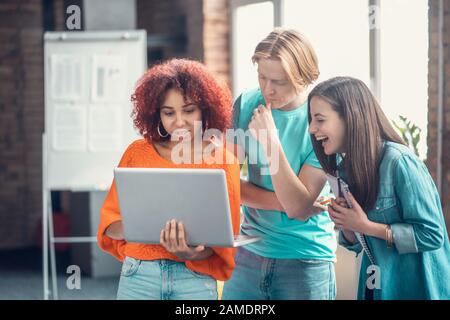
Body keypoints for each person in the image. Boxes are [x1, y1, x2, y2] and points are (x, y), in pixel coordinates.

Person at [97, 58, 241, 300]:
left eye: (188, 110)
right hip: (140, 274)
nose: (180, 122)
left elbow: (226, 241)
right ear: (156, 114)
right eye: (168, 113)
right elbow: (110, 225)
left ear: (205, 109)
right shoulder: (137, 153)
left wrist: (191, 253)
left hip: (193, 279)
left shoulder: (223, 161)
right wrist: (142, 227)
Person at [308, 76, 450, 300]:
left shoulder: (400, 162)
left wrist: (365, 225)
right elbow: (358, 244)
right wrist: (345, 222)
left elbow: (432, 235)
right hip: (377, 286)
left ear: (350, 118)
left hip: (417, 287)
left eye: (319, 120)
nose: (312, 128)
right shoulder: (346, 169)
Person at [222, 28, 337, 300]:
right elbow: (226, 185)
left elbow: (298, 207)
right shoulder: (246, 103)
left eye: (279, 82)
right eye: (262, 77)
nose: (267, 89)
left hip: (306, 257)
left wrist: (271, 141)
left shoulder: (321, 118)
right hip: (249, 252)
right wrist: (282, 202)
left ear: (303, 78)